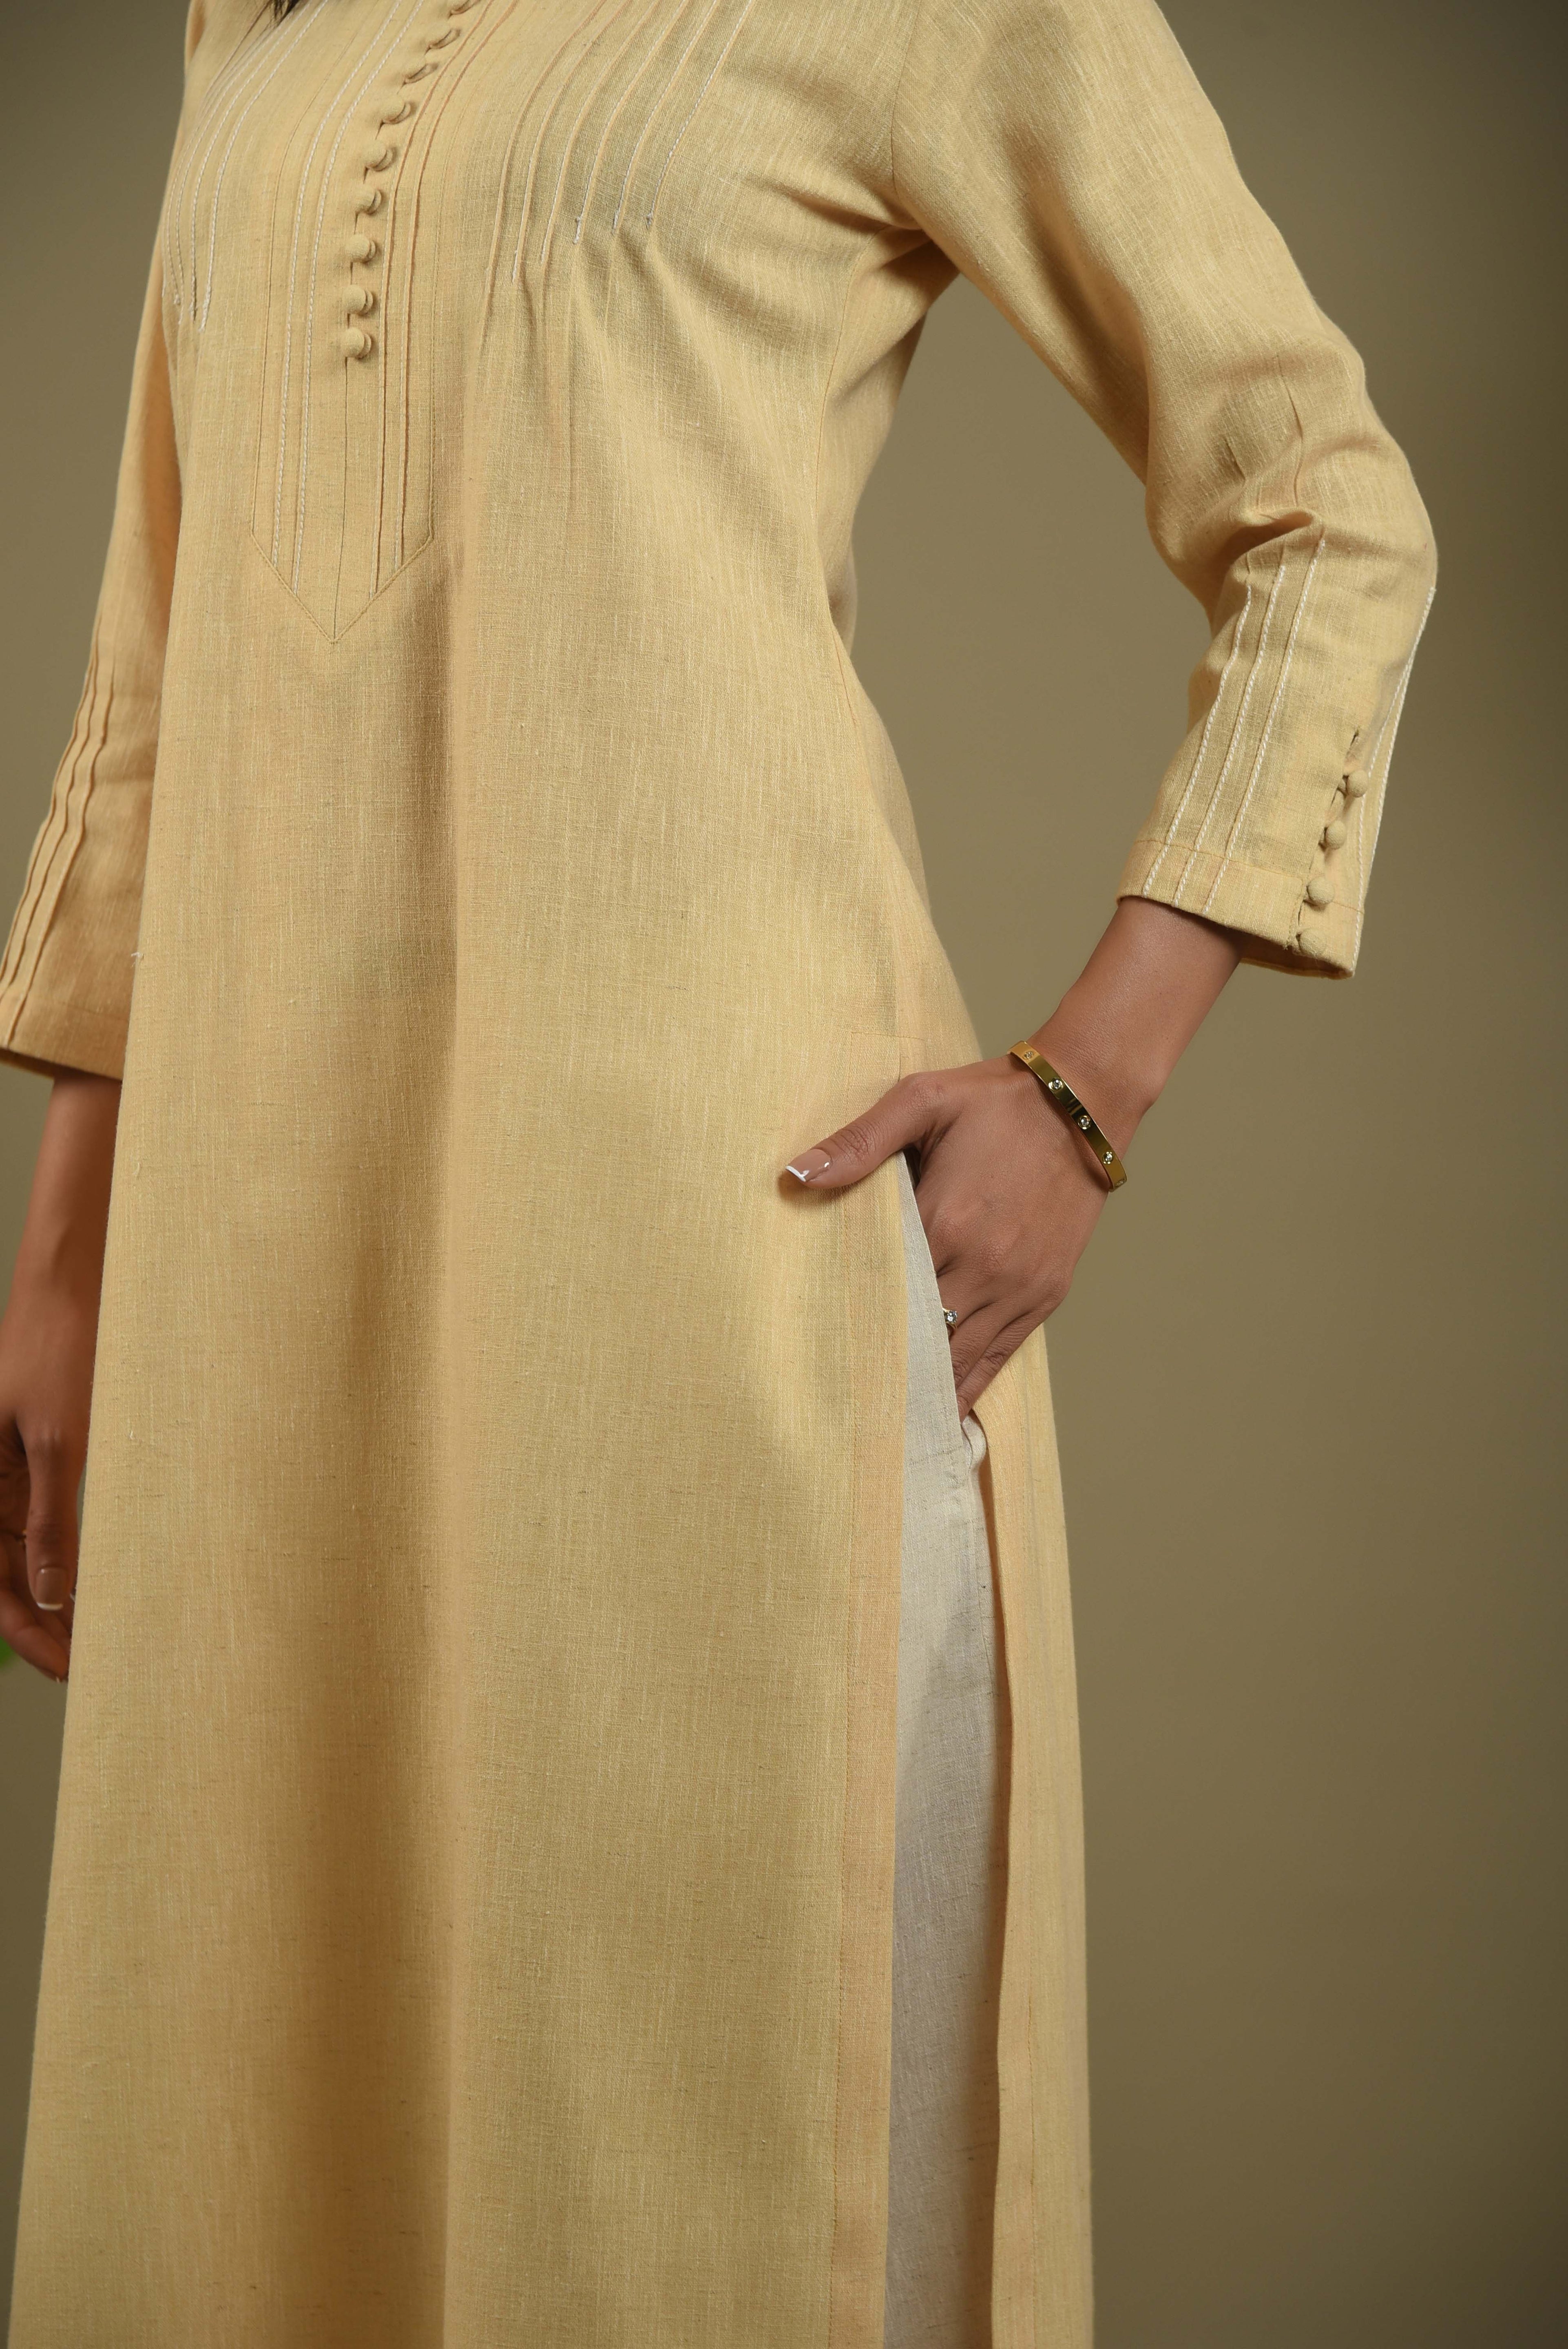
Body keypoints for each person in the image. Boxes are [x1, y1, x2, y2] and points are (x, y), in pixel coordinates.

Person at [0, 0, 1433, 2341]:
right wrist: (67, 1263)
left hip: (707, 1259)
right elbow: (151, 667)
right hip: (261, 1279)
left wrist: (1089, 1089)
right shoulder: (251, 26)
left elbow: (1327, 511)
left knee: (716, 2159)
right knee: (248, 2122)